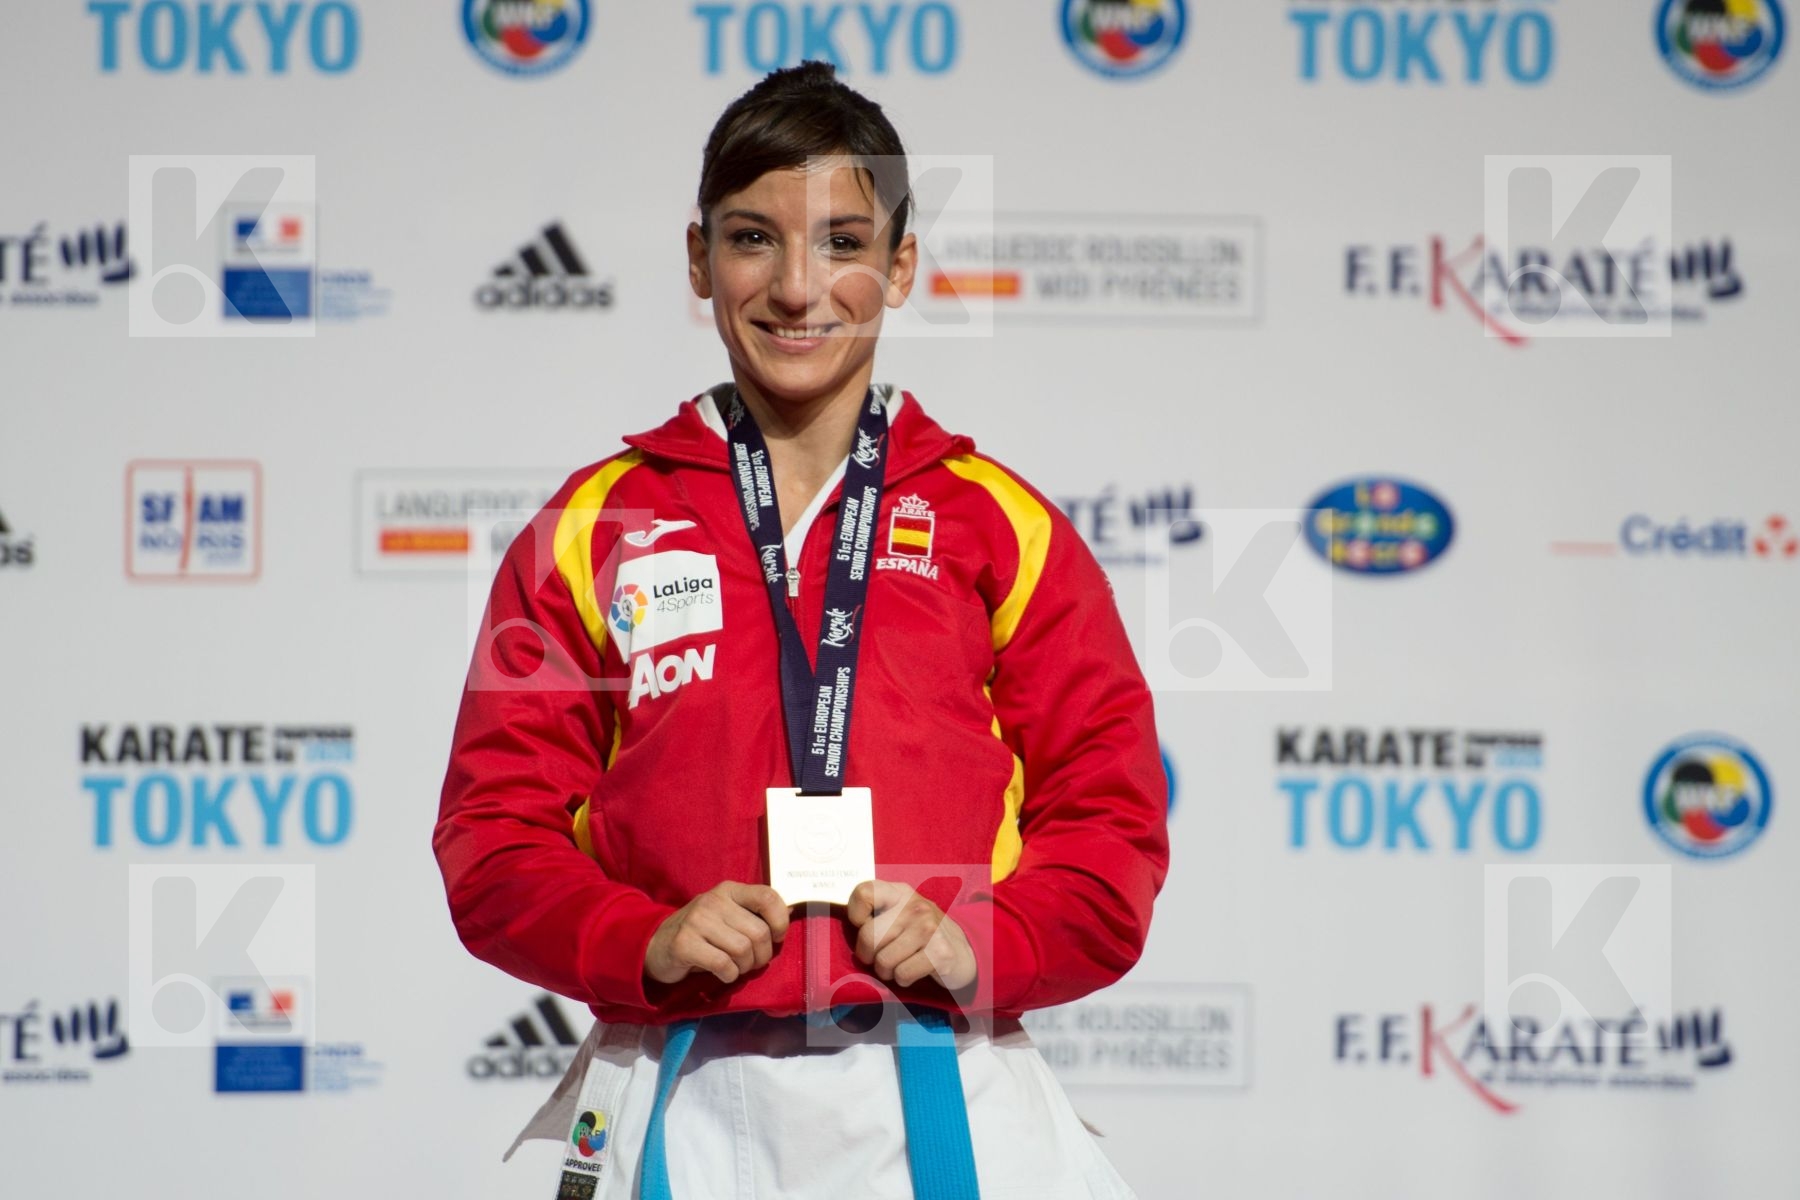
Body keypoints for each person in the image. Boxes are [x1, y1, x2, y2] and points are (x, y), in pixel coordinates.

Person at [434, 62, 1170, 1200]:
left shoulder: (999, 525)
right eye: (751, 240)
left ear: (901, 266)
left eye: (841, 243)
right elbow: (492, 837)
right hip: (675, 1087)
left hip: (947, 1085)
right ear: (698, 260)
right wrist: (641, 939)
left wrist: (982, 941)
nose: (795, 288)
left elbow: (1110, 824)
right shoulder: (592, 526)